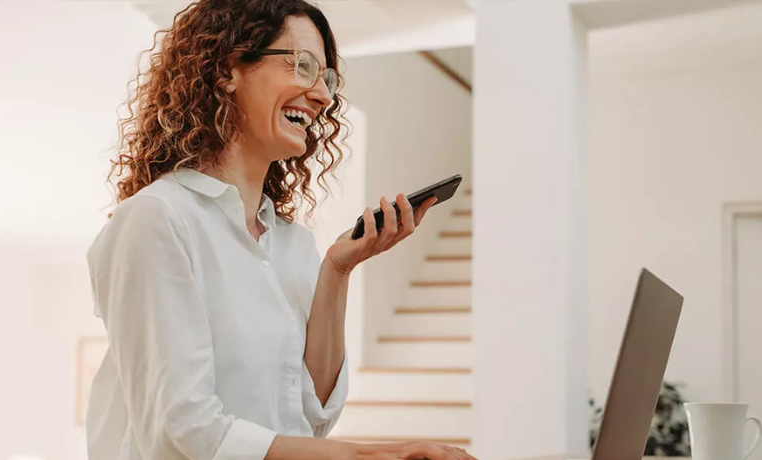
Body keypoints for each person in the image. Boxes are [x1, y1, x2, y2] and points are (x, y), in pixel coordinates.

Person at [85, 1, 477, 459]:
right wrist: (373, 455)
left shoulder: (294, 245)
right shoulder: (157, 220)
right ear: (229, 68)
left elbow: (311, 419)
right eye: (303, 66)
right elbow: (184, 429)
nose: (322, 95)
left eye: (327, 78)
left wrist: (337, 269)